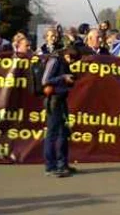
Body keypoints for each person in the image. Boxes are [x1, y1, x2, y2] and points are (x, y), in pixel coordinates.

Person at [41, 46, 80, 177]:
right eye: (72, 60)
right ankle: (50, 166)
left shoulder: (63, 62)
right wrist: (63, 77)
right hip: (53, 100)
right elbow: (45, 80)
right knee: (52, 134)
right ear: (67, 56)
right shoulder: (55, 61)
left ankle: (62, 164)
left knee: (63, 133)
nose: (72, 63)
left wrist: (70, 79)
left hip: (61, 99)